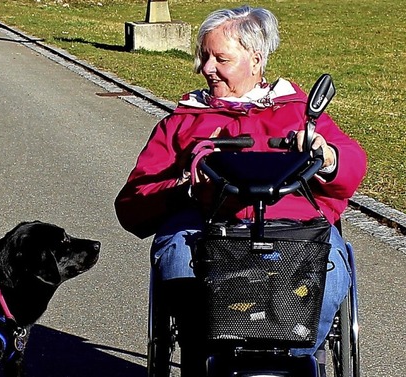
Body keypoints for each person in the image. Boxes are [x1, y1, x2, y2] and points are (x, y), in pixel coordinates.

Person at [115, 5, 367, 355]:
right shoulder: (182, 122)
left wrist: (327, 157)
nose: (207, 69)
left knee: (333, 274)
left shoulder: (297, 110)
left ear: (256, 59)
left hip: (294, 229)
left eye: (221, 58)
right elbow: (132, 204)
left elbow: (352, 162)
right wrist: (184, 185)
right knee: (175, 264)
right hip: (205, 231)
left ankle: (294, 359)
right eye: (204, 56)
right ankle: (209, 357)